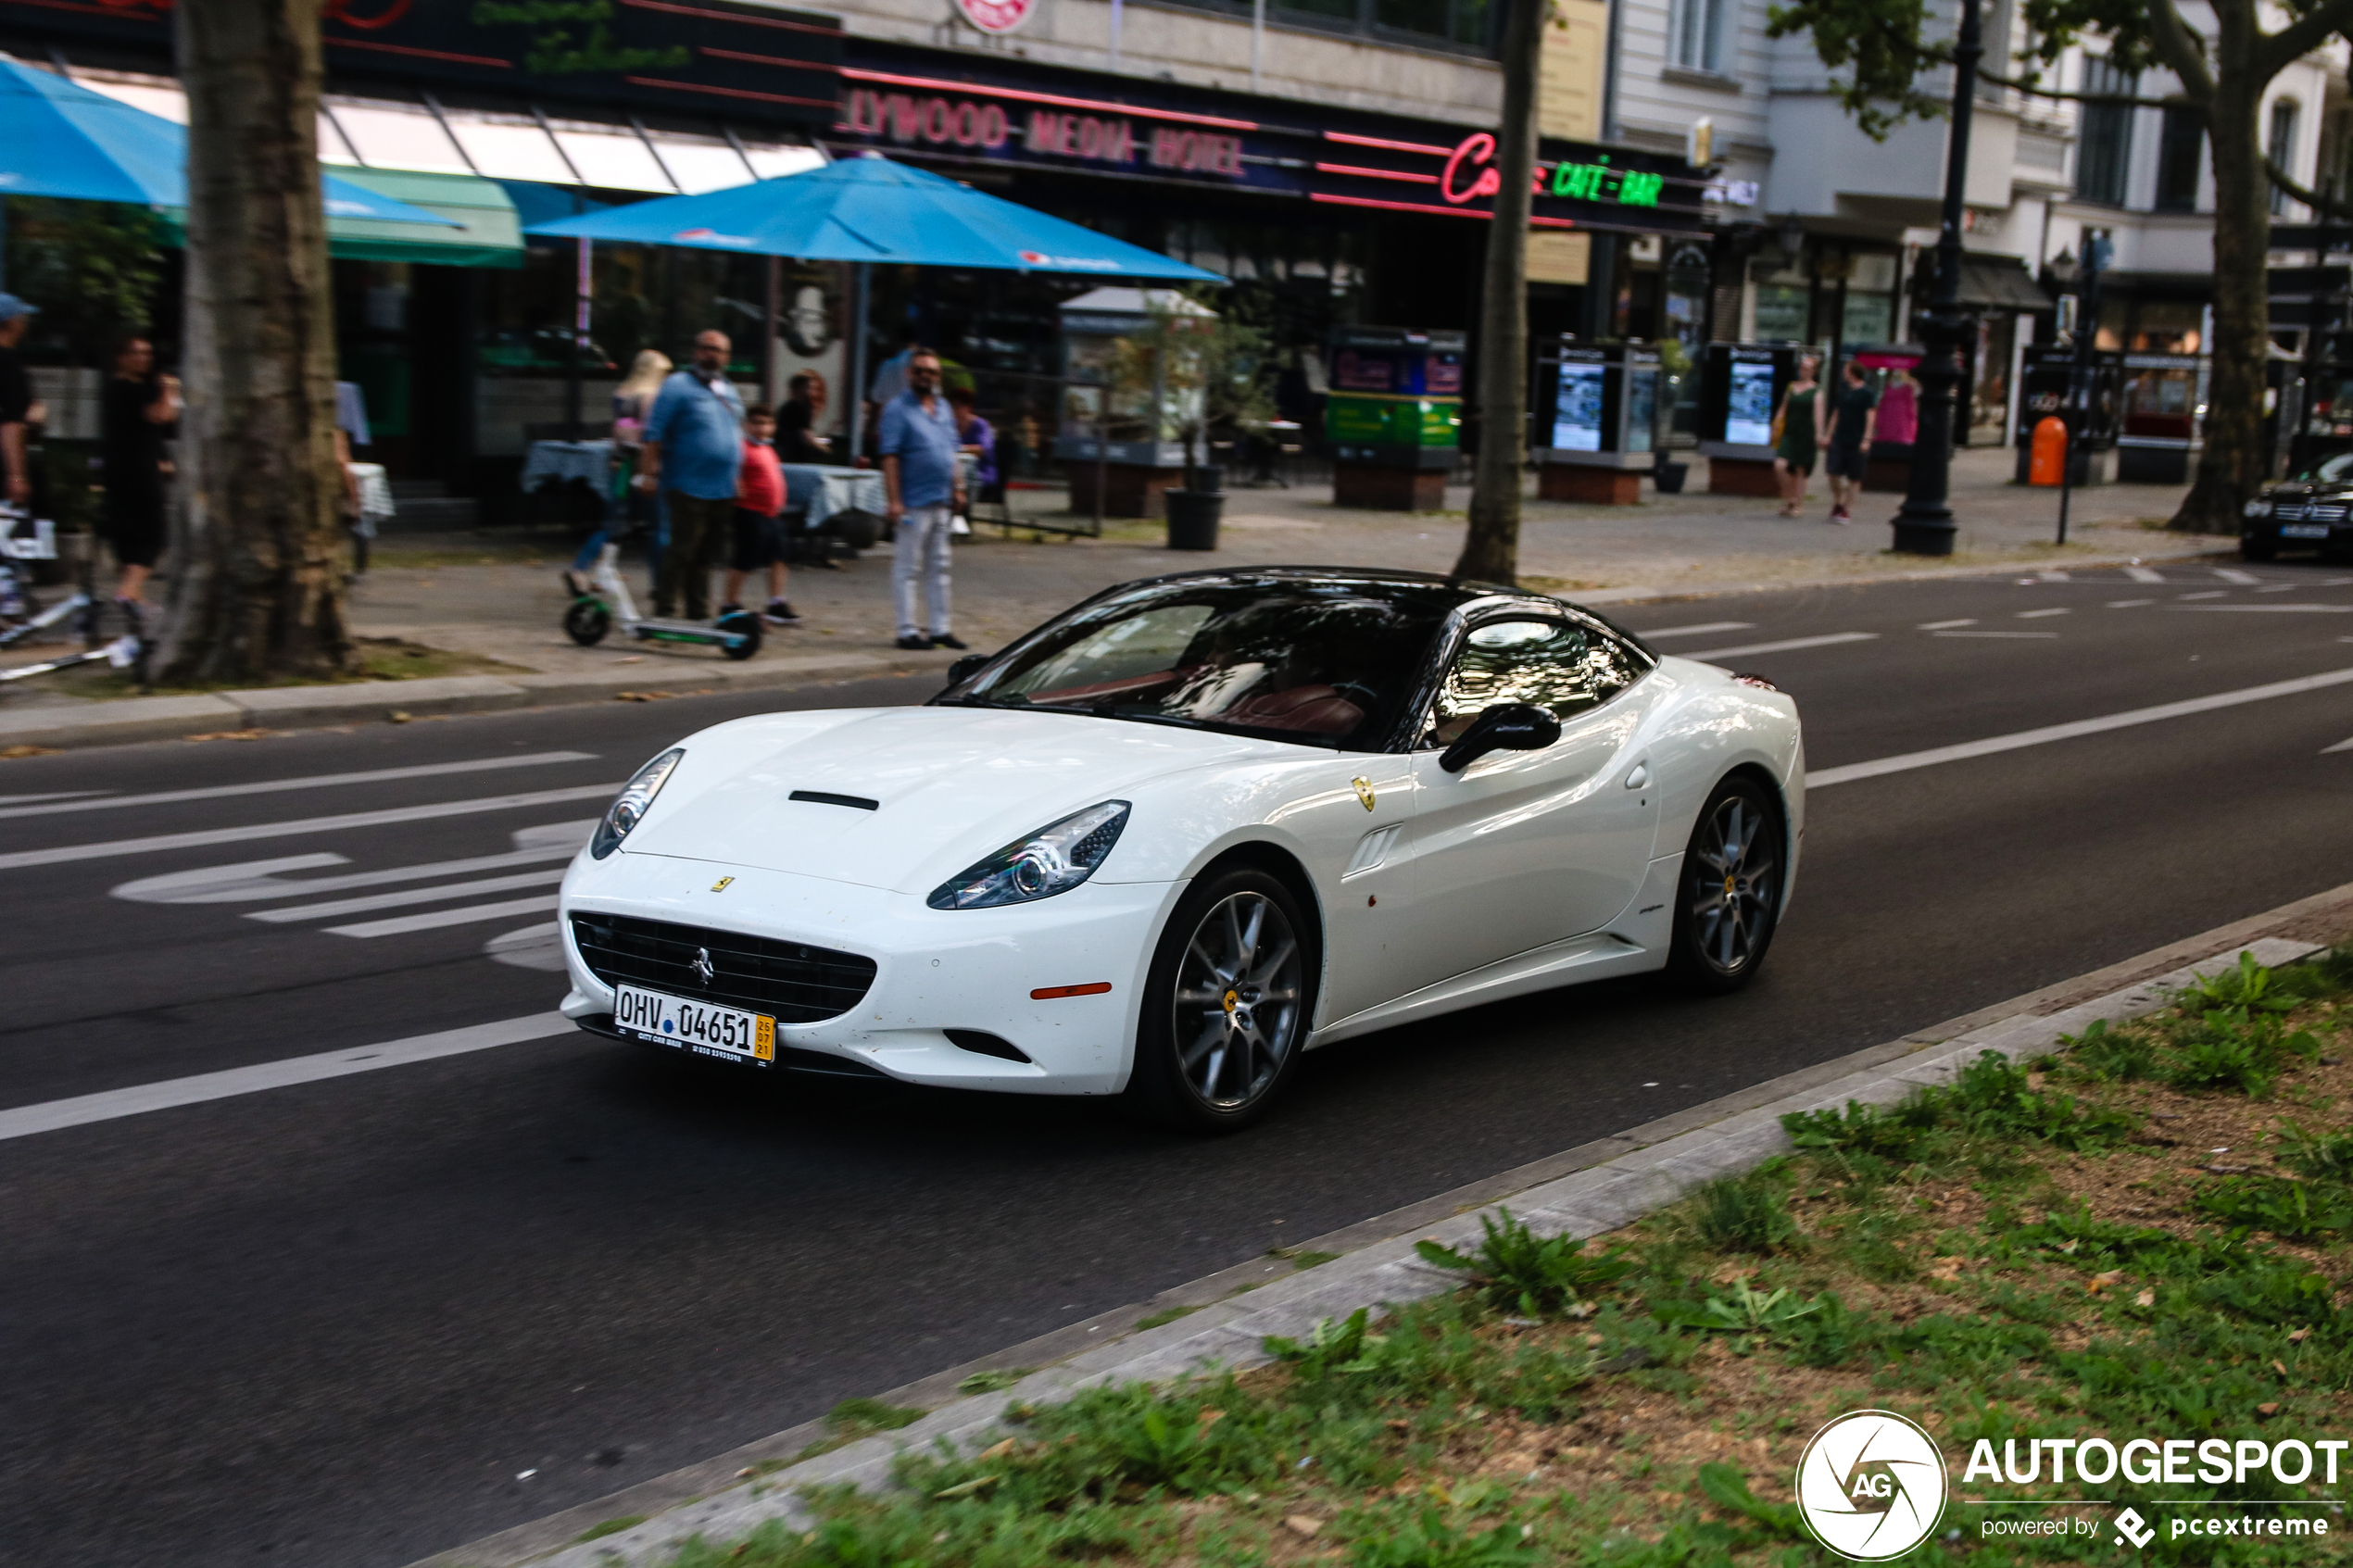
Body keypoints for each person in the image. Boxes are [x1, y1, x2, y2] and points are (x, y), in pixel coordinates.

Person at [636, 332, 743, 621]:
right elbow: (654, 433)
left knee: (707, 555)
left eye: (720, 351)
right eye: (708, 349)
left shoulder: (727, 389)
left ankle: (698, 613)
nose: (714, 355)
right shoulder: (676, 386)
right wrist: (648, 473)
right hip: (686, 483)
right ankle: (665, 611)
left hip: (722, 486)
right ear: (696, 352)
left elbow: (735, 433)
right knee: (682, 550)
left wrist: (737, 476)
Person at [877, 347, 965, 652]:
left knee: (940, 566)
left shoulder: (943, 408)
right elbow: (889, 455)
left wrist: (958, 486)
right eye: (920, 371)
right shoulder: (897, 409)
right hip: (913, 499)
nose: (926, 376)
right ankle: (907, 629)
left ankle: (940, 628)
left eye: (932, 372)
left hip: (941, 498)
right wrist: (894, 499)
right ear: (909, 374)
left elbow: (952, 451)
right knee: (908, 566)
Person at [567, 349, 673, 597]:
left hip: (621, 465)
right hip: (643, 466)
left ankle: (579, 569)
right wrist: (653, 468)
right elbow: (650, 435)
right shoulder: (650, 397)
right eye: (664, 372)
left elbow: (620, 430)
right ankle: (659, 583)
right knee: (659, 526)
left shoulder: (622, 394)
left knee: (613, 523)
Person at [98, 334, 181, 618]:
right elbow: (162, 416)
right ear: (121, 357)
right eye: (136, 353)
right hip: (137, 470)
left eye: (147, 353)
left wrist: (163, 459)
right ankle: (128, 590)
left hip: (124, 467)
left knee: (128, 531)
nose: (143, 359)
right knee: (153, 532)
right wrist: (170, 389)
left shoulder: (118, 388)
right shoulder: (128, 390)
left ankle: (135, 596)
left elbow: (146, 431)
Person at [719, 404, 800, 629]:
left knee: (779, 557)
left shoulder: (768, 450)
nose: (761, 428)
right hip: (749, 511)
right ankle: (730, 603)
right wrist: (737, 487)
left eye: (766, 423)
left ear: (773, 427)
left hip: (771, 514)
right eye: (756, 423)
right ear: (746, 425)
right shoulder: (742, 448)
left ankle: (776, 602)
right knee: (745, 558)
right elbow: (732, 470)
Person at [1823, 358, 1880, 523]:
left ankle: (1845, 509)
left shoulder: (1868, 393)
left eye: (1846, 370)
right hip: (1840, 437)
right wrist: (1829, 434)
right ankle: (1839, 501)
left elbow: (1871, 416)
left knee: (1855, 477)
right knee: (1833, 472)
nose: (1843, 373)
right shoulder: (1843, 391)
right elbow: (1836, 413)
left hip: (1857, 439)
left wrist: (1866, 438)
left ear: (1853, 372)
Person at [1771, 354, 1823, 519]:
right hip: (1789, 433)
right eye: (1802, 367)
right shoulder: (1791, 387)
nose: (1803, 370)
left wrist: (1819, 434)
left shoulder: (1817, 391)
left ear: (1813, 371)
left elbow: (1818, 414)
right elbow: (1783, 407)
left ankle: (1798, 505)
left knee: (1801, 469)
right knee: (1780, 465)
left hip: (1805, 433)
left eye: (1807, 368)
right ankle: (1790, 498)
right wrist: (1776, 424)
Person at [0, 295, 36, 515]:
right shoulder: (7, 362)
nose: (26, 322)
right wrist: (16, 476)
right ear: (12, 322)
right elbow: (8, 422)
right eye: (23, 316)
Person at [949, 385, 997, 503]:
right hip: (957, 469)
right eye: (952, 406)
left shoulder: (981, 425)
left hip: (980, 472)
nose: (954, 410)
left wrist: (957, 449)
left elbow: (983, 450)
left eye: (957, 406)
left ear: (968, 407)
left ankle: (962, 513)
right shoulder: (950, 425)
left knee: (959, 480)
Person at [776, 370, 833, 463]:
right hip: (795, 455)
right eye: (809, 388)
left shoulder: (785, 407)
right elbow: (806, 436)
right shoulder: (802, 408)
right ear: (799, 388)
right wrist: (826, 451)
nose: (812, 392)